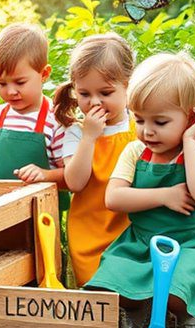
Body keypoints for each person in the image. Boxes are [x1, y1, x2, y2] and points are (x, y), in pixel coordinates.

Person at [87, 52, 195, 328]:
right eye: (139, 119)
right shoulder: (135, 152)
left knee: (176, 290)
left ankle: (188, 315)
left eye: (160, 121)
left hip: (191, 244)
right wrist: (165, 195)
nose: (147, 131)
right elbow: (114, 198)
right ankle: (134, 308)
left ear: (192, 117)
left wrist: (190, 142)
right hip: (142, 241)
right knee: (115, 284)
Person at [55, 33, 137, 286]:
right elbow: (75, 183)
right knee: (99, 291)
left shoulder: (140, 127)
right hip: (89, 232)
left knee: (133, 288)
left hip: (131, 231)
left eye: (105, 92)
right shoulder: (76, 134)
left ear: (128, 85)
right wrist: (89, 138)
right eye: (84, 94)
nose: (94, 102)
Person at [0, 23, 68, 208]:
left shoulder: (55, 121)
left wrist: (45, 174)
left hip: (41, 213)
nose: (10, 91)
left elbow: (70, 175)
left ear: (44, 74)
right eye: (2, 83)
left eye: (20, 82)